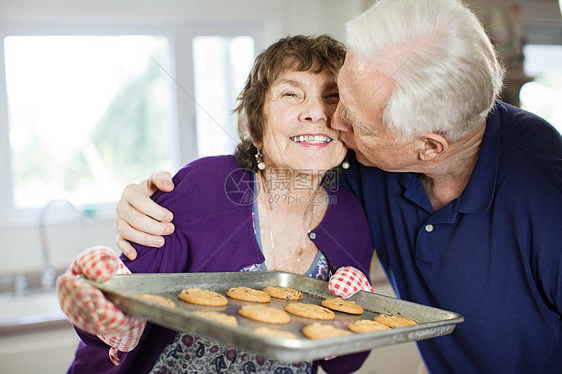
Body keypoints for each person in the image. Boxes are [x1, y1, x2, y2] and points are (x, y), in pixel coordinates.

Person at [116, 0, 562, 373]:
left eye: (348, 112)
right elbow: (275, 154)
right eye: (339, 95)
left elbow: (342, 356)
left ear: (426, 146)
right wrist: (143, 195)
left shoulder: (548, 202)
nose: (332, 120)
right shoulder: (360, 156)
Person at [57, 34, 374, 374]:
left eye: (333, 97)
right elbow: (116, 315)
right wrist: (105, 300)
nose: (315, 112)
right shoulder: (204, 184)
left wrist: (350, 317)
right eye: (291, 94)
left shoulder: (352, 218)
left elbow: (345, 364)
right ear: (256, 126)